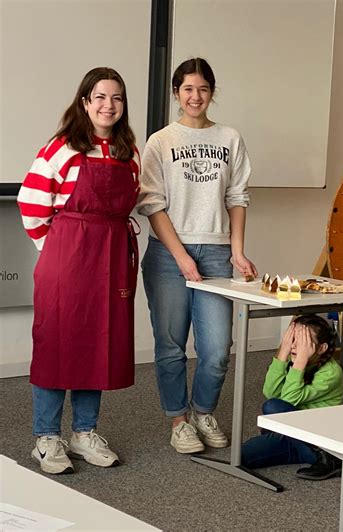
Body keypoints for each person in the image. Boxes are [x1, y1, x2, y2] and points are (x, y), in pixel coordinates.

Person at [17, 67, 141, 474]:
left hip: (110, 255)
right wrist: (56, 247)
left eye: (117, 98)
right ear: (85, 102)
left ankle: (84, 432)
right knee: (55, 343)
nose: (109, 105)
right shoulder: (63, 147)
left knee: (97, 343)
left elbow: (133, 200)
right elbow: (31, 203)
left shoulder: (128, 151)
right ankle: (47, 437)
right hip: (67, 256)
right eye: (101, 97)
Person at [137, 57, 257, 454]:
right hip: (169, 255)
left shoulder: (230, 138)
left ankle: (204, 411)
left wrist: (237, 251)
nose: (195, 96)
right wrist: (182, 257)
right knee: (171, 345)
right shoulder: (161, 141)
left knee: (217, 349)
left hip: (217, 252)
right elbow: (153, 205)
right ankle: (179, 420)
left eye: (203, 89)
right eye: (187, 89)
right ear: (176, 93)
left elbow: (237, 198)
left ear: (212, 93)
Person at [241, 315, 343, 480]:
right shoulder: (292, 360)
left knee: (272, 407)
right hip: (293, 435)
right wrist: (283, 353)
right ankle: (295, 449)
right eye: (293, 339)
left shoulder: (331, 373)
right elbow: (270, 392)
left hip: (319, 439)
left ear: (321, 348)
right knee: (242, 456)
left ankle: (329, 460)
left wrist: (300, 361)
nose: (296, 346)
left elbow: (286, 401)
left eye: (304, 341)